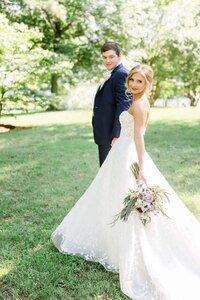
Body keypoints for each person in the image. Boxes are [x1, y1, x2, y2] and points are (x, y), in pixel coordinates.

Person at [51, 64, 200, 300]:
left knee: (125, 200)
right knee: (109, 194)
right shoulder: (135, 100)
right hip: (120, 150)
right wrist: (118, 141)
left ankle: (128, 250)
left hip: (129, 154)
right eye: (131, 80)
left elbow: (139, 137)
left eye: (139, 81)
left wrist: (142, 169)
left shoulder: (140, 105)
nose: (133, 85)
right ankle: (111, 240)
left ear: (148, 83)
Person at [92, 41, 132, 166]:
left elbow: (123, 106)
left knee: (110, 172)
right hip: (105, 132)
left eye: (111, 57)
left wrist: (117, 134)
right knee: (106, 171)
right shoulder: (113, 73)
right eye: (104, 57)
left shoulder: (121, 74)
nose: (107, 61)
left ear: (120, 55)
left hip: (112, 135)